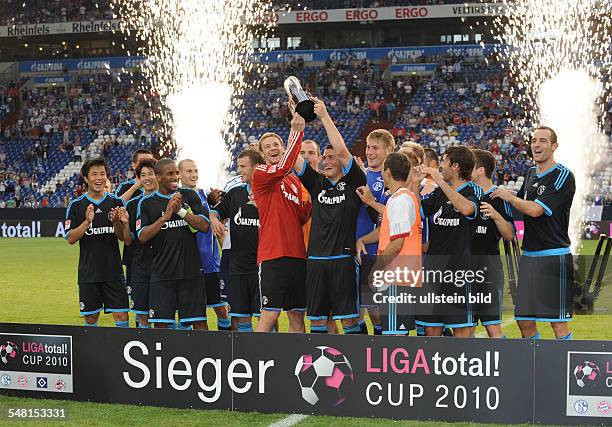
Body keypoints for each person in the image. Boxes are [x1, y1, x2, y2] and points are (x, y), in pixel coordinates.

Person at [492, 126, 575, 340]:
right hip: (529, 256)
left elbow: (535, 209)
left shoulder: (562, 175)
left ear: (554, 146)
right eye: (534, 140)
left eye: (543, 141)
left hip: (553, 257)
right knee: (524, 321)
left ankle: (563, 371)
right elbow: (516, 206)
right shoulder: (530, 173)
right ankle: (535, 370)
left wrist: (508, 196)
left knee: (557, 323)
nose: (536, 145)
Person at [293, 99, 365, 334]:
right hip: (315, 261)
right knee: (317, 321)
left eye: (331, 157)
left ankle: (356, 364)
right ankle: (321, 365)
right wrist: (296, 125)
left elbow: (343, 150)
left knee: (349, 321)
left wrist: (323, 116)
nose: (326, 160)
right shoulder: (316, 182)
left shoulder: (354, 182)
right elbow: (294, 159)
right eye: (324, 157)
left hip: (342, 261)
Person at [252, 113, 311, 333]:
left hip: (297, 254)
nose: (273, 148)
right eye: (267, 147)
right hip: (273, 254)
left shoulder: (295, 181)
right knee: (270, 315)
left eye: (276, 144)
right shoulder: (261, 173)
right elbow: (284, 167)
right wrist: (296, 131)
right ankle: (254, 364)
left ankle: (298, 365)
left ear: (282, 147)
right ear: (262, 153)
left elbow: (301, 217)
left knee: (297, 316)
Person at [136, 159, 211, 329]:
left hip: (190, 272)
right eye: (170, 174)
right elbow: (142, 236)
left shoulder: (190, 195)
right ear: (158, 177)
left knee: (199, 323)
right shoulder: (147, 203)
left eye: (176, 173)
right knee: (161, 326)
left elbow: (205, 226)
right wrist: (164, 218)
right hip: (162, 274)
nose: (175, 177)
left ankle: (203, 355)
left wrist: (181, 212)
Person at [417, 146, 481, 337]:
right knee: (431, 330)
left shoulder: (474, 190)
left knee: (461, 332)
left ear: (455, 166)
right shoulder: (438, 192)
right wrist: (414, 184)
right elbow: (418, 212)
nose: (440, 166)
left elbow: (467, 209)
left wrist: (438, 180)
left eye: (444, 161)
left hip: (460, 274)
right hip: (434, 272)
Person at [357, 153, 422, 335]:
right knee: (396, 335)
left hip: (396, 277)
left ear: (388, 172)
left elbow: (397, 244)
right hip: (403, 275)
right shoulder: (403, 198)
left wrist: (376, 269)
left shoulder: (400, 200)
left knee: (394, 338)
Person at [65, 159, 129, 327]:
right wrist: (87, 222)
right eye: (94, 174)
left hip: (113, 272)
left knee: (122, 316)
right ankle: (92, 353)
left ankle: (120, 352)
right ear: (86, 178)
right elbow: (71, 239)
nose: (99, 178)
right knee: (91, 318)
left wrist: (116, 222)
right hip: (89, 273)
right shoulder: (76, 205)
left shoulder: (117, 203)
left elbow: (124, 238)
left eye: (102, 174)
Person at [210, 150, 264, 332]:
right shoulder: (235, 194)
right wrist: (215, 219)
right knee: (241, 319)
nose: (238, 170)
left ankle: (269, 356)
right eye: (238, 166)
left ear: (256, 167)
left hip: (263, 266)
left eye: (243, 166)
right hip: (238, 266)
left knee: (266, 318)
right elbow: (215, 211)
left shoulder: (270, 193)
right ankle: (248, 357)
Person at [178, 159, 231, 331]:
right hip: (189, 265)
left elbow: (218, 222)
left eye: (195, 170)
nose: (193, 175)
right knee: (193, 315)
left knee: (222, 310)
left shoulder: (205, 194)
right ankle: (197, 352)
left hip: (211, 264)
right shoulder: (177, 197)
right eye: (188, 171)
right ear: (179, 174)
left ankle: (226, 348)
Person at [470, 149, 515, 338]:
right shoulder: (466, 194)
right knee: (464, 329)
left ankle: (506, 365)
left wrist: (495, 215)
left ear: (480, 170)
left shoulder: (498, 196)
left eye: (469, 164)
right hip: (464, 271)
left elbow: (510, 235)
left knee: (493, 328)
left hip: (488, 270)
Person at [355, 129, 395, 335]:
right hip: (354, 251)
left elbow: (390, 220)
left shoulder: (391, 180)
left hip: (376, 252)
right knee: (354, 312)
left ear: (388, 151)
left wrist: (371, 202)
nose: (369, 152)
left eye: (375, 148)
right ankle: (361, 356)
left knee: (376, 312)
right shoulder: (359, 174)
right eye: (368, 147)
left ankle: (380, 353)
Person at [299, 138, 339, 334]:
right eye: (302, 153)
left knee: (328, 315)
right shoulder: (288, 183)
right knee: (297, 313)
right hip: (296, 256)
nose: (306, 157)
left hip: (322, 255)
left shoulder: (327, 183)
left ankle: (339, 356)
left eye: (311, 153)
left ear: (318, 157)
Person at [122, 158, 158, 329]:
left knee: (166, 315)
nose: (147, 178)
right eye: (143, 175)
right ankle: (145, 352)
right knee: (142, 314)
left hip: (164, 263)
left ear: (158, 175)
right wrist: (121, 224)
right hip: (140, 265)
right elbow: (128, 240)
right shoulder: (132, 204)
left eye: (151, 173)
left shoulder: (169, 199)